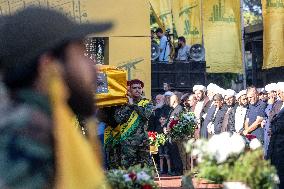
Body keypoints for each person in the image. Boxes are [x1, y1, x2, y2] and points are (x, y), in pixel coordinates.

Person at [0, 7, 111, 188]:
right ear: (48, 65)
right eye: (82, 55)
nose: (93, 66)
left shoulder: (33, 119)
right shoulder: (30, 130)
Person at [114, 79, 153, 168]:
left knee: (145, 168)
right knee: (128, 169)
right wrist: (128, 106)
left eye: (139, 88)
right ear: (129, 90)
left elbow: (146, 116)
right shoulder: (123, 103)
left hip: (143, 141)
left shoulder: (147, 102)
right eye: (134, 88)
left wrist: (133, 105)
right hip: (128, 142)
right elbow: (118, 119)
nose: (137, 90)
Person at [267, 82, 284, 189]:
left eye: (280, 93)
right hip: (275, 144)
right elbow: (271, 115)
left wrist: (272, 128)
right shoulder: (278, 103)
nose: (278, 95)